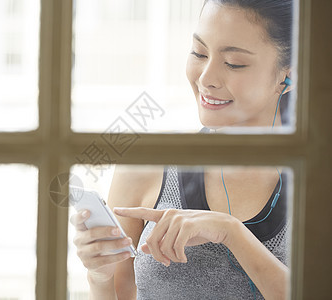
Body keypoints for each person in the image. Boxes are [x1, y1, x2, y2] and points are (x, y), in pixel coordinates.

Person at [71, 0, 293, 299]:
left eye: (234, 63)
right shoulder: (146, 165)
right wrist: (99, 277)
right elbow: (120, 292)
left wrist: (232, 233)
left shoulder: (318, 177)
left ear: (288, 74)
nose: (206, 78)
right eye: (199, 53)